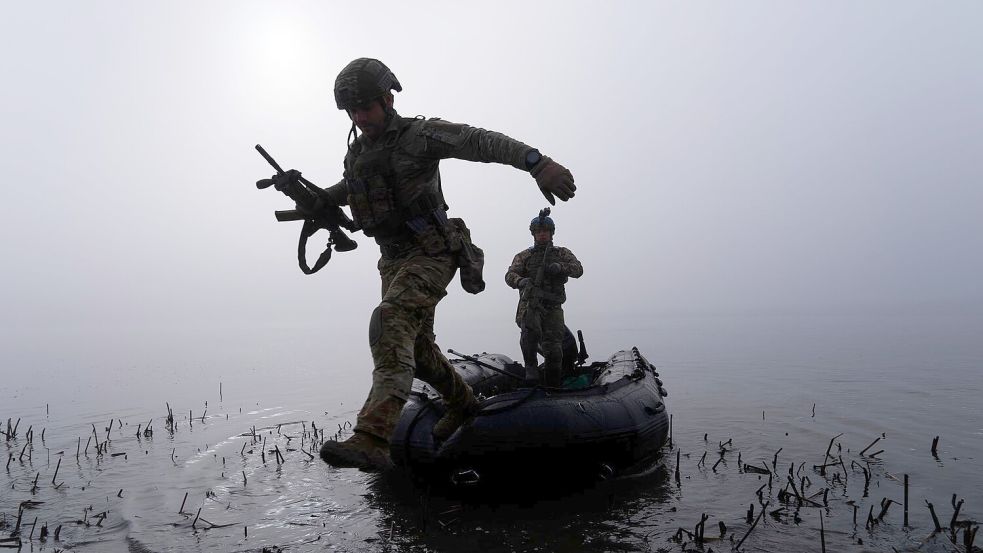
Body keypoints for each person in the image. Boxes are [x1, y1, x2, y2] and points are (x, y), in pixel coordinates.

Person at [316, 58, 577, 471]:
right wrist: (322, 198)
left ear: (388, 99)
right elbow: (352, 188)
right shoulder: (359, 153)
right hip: (393, 261)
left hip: (433, 250)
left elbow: (478, 141)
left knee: (392, 318)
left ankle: (372, 437)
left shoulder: (420, 135)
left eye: (366, 107)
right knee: (418, 353)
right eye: (352, 111)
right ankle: (463, 403)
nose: (360, 117)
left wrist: (536, 163)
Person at [504, 209, 583, 387]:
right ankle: (530, 368)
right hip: (531, 304)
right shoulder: (524, 256)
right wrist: (520, 281)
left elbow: (578, 269)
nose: (542, 235)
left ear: (551, 233)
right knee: (529, 335)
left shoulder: (561, 253)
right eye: (538, 232)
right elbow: (509, 275)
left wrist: (560, 267)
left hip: (553, 306)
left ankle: (553, 385)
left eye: (545, 232)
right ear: (533, 234)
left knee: (554, 350)